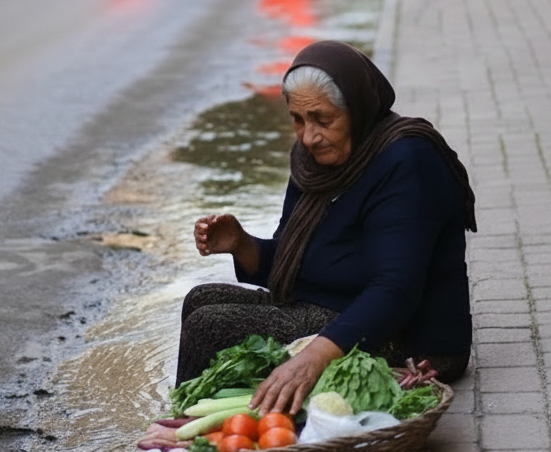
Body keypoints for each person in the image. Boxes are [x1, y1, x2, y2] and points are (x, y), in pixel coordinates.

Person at [176, 41, 477, 416]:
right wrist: (243, 245)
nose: (308, 136)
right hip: (331, 305)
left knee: (210, 326)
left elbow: (396, 290)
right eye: (298, 120)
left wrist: (313, 356)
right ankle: (208, 427)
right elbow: (295, 267)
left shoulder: (407, 159)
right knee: (200, 300)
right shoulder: (313, 161)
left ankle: (179, 432)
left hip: (409, 337)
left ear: (358, 109)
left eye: (323, 119)